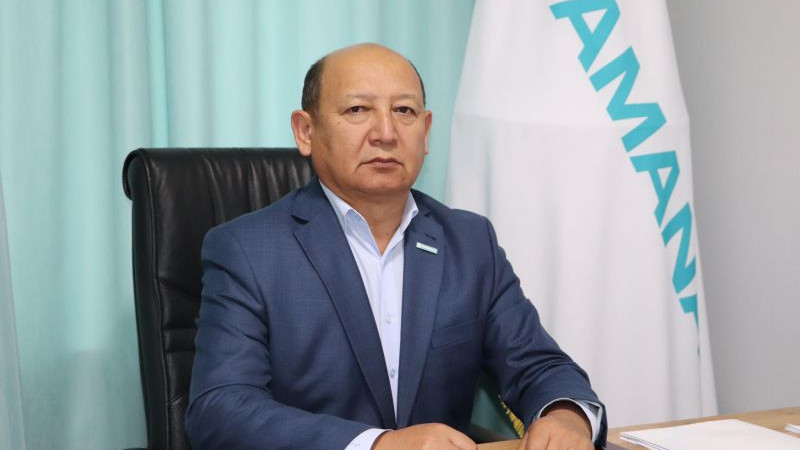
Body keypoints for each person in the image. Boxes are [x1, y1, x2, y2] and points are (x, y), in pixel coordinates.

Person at [185, 43, 606, 450]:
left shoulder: (469, 242)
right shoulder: (247, 250)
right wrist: (378, 444)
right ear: (305, 131)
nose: (386, 133)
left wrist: (567, 415)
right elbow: (220, 409)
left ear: (426, 131)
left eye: (404, 111)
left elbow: (538, 365)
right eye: (357, 110)